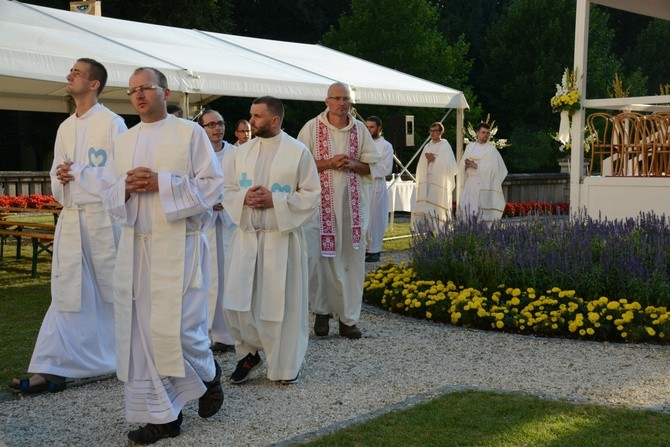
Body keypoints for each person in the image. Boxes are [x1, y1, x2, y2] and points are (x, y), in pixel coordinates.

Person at [102, 67, 224, 444]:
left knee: (183, 332)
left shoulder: (189, 133)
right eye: (132, 90)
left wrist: (162, 183)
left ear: (165, 92)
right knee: (144, 333)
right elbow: (108, 194)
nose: (138, 96)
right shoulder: (125, 139)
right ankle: (164, 416)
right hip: (137, 247)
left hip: (179, 245)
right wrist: (125, 186)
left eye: (146, 88)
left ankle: (208, 375)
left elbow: (212, 185)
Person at [9, 58, 126, 394]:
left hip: (103, 223)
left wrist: (81, 174)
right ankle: (51, 366)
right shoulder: (65, 128)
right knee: (66, 294)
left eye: (77, 72)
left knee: (109, 295)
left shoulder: (112, 123)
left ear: (94, 84)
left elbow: (120, 177)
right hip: (73, 221)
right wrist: (61, 177)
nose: (69, 75)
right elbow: (56, 176)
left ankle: (117, 356)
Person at [222, 96, 320, 384]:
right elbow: (227, 189)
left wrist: (274, 200)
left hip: (281, 240)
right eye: (251, 115)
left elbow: (311, 195)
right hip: (247, 238)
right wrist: (245, 197)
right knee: (238, 301)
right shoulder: (240, 152)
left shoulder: (297, 152)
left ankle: (285, 364)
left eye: (257, 116)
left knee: (281, 303)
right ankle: (248, 353)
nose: (251, 121)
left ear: (275, 120)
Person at [297, 82, 380, 339]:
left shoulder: (360, 130)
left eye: (346, 99)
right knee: (318, 261)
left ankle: (348, 318)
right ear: (327, 101)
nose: (342, 103)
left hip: (352, 208)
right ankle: (321, 314)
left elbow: (373, 166)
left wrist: (353, 164)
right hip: (319, 209)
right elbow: (298, 165)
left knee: (352, 263)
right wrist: (328, 163)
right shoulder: (311, 128)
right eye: (337, 98)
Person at [198, 109, 236, 353]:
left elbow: (244, 182)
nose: (216, 128)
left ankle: (229, 334)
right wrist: (209, 202)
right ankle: (205, 332)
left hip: (231, 223)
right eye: (211, 124)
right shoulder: (197, 153)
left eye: (220, 123)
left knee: (229, 276)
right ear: (202, 128)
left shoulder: (236, 153)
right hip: (206, 223)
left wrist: (230, 202)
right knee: (207, 277)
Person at [410, 122, 458, 232]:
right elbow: (421, 164)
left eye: (435, 131)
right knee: (427, 206)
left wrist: (434, 160)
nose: (432, 133)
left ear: (441, 132)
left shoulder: (445, 146)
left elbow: (451, 167)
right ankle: (428, 231)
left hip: (439, 182)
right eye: (431, 131)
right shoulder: (427, 145)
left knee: (437, 206)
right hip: (427, 180)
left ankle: (441, 231)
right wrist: (427, 161)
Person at [458, 122, 508, 224]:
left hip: (482, 185)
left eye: (487, 133)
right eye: (483, 132)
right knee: (466, 208)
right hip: (470, 183)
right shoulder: (470, 147)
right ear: (477, 133)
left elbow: (497, 170)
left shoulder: (491, 150)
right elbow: (461, 165)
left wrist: (476, 166)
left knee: (479, 211)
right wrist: (466, 165)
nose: (485, 135)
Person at [364, 116, 394, 263]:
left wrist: (366, 168)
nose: (369, 130)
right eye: (367, 127)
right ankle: (364, 248)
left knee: (375, 218)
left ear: (379, 128)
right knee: (364, 216)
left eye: (372, 127)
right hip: (364, 185)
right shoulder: (363, 144)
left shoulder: (386, 146)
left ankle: (374, 249)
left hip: (376, 184)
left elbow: (386, 168)